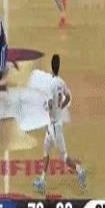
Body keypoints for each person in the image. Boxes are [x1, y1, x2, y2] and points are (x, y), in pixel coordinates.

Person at [33, 54, 86, 193]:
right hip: (52, 125)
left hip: (55, 127)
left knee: (64, 157)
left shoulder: (51, 85)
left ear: (51, 67)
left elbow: (50, 104)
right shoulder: (61, 83)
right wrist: (61, 107)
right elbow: (68, 97)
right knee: (45, 149)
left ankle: (80, 171)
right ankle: (42, 180)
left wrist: (45, 107)